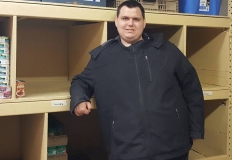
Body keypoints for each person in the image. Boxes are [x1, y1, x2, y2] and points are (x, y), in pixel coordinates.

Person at [69, 0, 204, 160]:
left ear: (144, 23)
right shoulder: (103, 57)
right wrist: (79, 99)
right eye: (125, 18)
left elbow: (192, 88)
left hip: (173, 147)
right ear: (117, 22)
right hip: (126, 149)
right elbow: (81, 81)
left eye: (136, 19)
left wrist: (196, 129)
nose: (130, 24)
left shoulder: (167, 50)